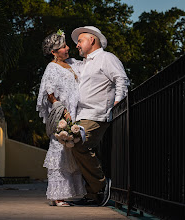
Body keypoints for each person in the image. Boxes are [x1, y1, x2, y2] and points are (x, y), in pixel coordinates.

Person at [70, 26, 129, 206]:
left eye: (80, 41)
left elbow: (121, 79)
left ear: (92, 40)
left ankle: (101, 185)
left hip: (96, 114)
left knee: (78, 143)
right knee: (80, 147)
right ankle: (93, 194)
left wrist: (118, 103)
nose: (77, 45)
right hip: (81, 115)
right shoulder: (85, 63)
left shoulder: (106, 58)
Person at [36, 30, 86, 207]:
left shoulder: (72, 64)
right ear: (54, 52)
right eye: (63, 47)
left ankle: (69, 193)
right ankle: (57, 196)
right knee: (59, 151)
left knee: (72, 152)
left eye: (66, 45)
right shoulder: (52, 68)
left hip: (76, 113)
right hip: (62, 115)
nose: (67, 49)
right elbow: (49, 93)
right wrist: (62, 110)